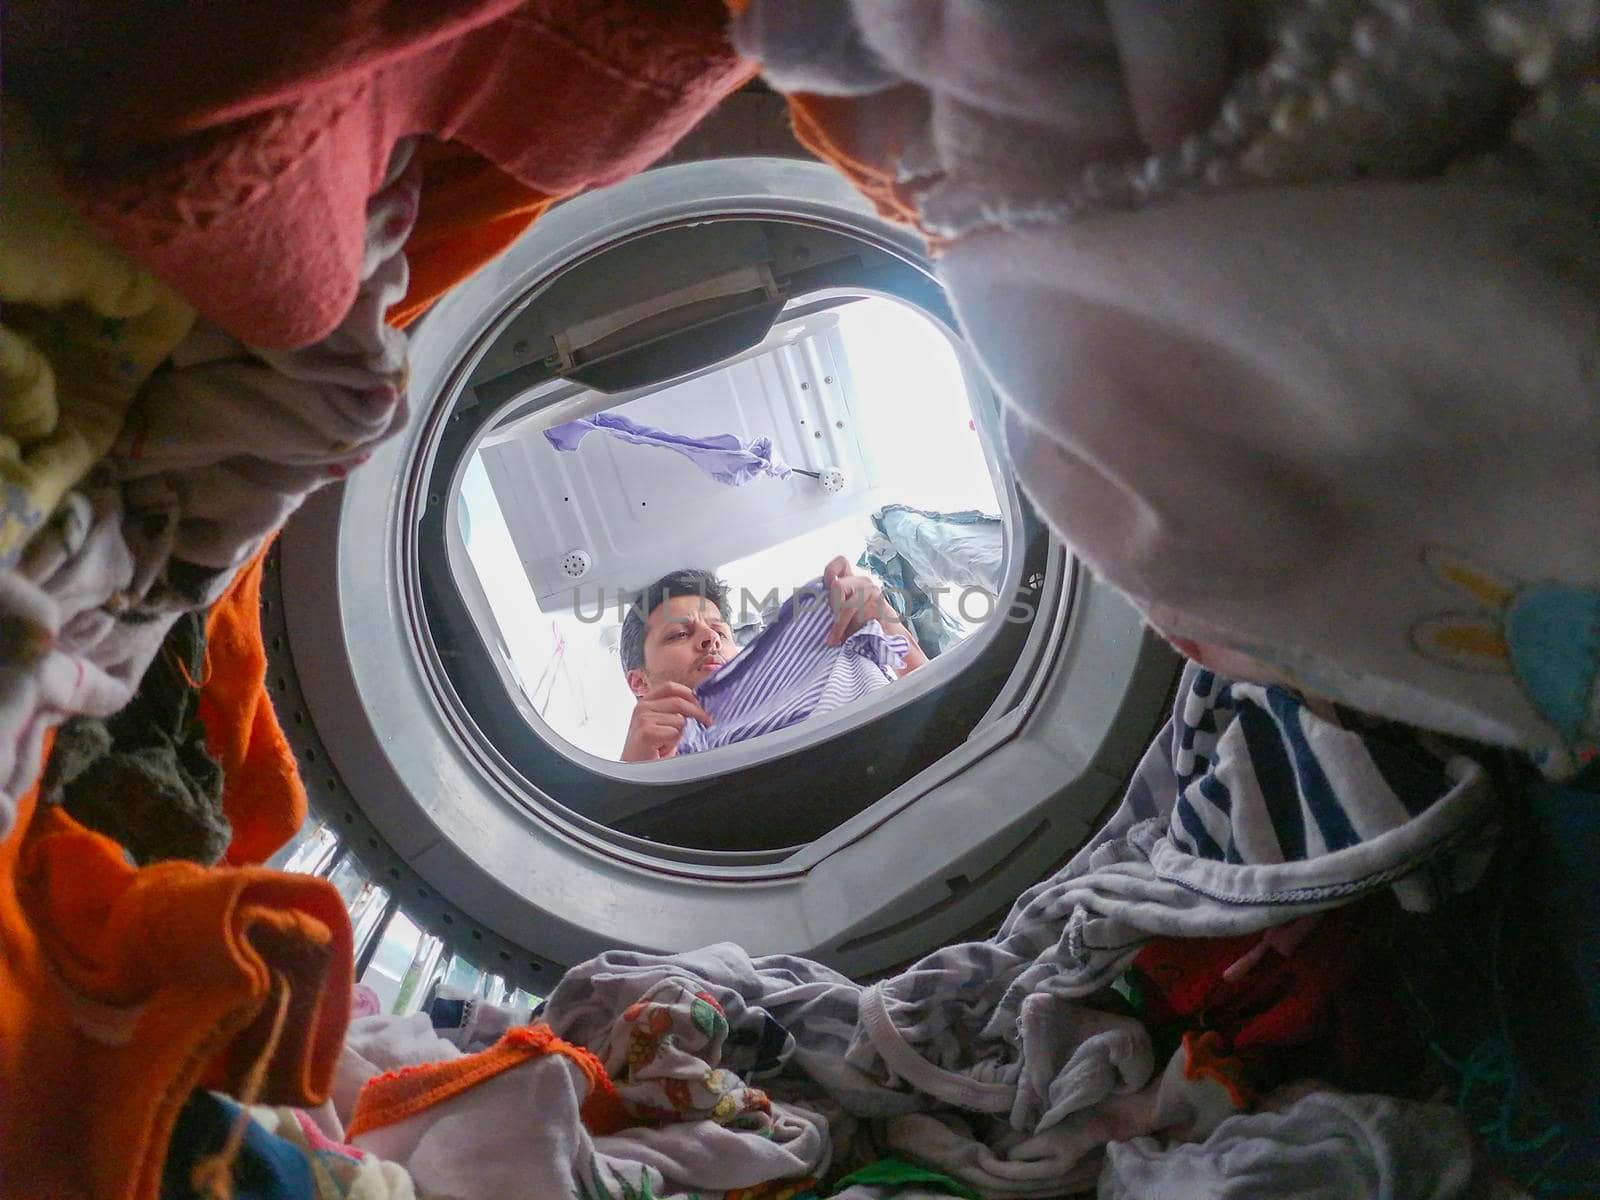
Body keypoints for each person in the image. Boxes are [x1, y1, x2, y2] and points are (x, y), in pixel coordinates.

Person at [618, 556, 928, 762]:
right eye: (678, 635)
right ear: (639, 682)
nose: (710, 638)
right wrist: (634, 774)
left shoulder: (824, 658)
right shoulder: (656, 766)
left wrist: (883, 618)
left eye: (720, 632)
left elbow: (936, 705)